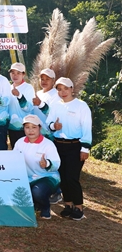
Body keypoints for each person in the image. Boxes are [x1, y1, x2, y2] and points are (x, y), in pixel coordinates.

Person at [46, 77, 92, 220]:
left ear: (72, 89)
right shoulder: (55, 105)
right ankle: (68, 205)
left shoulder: (81, 105)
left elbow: (86, 127)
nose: (63, 92)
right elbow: (49, 123)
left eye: (66, 88)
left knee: (72, 178)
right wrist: (54, 126)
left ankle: (79, 208)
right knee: (63, 177)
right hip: (59, 145)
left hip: (75, 146)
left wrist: (85, 148)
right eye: (59, 89)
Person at [13, 114, 61, 220]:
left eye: (34, 127)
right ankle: (36, 204)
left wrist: (47, 164)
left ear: (40, 128)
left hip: (47, 177)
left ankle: (45, 206)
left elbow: (56, 164)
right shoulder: (19, 142)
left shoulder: (48, 144)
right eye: (27, 127)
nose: (30, 130)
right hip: (27, 178)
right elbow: (14, 160)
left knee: (37, 192)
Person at [32, 68, 62, 204]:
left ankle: (57, 191)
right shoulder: (38, 93)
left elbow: (54, 113)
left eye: (47, 79)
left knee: (51, 162)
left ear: (53, 81)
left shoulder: (56, 95)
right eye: (42, 79)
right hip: (36, 135)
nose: (44, 82)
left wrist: (41, 104)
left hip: (50, 135)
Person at [7, 62, 35, 148]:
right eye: (13, 73)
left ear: (23, 74)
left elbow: (29, 108)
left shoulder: (28, 88)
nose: (15, 76)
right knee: (15, 152)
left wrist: (19, 96)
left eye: (18, 73)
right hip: (11, 127)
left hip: (24, 128)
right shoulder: (8, 87)